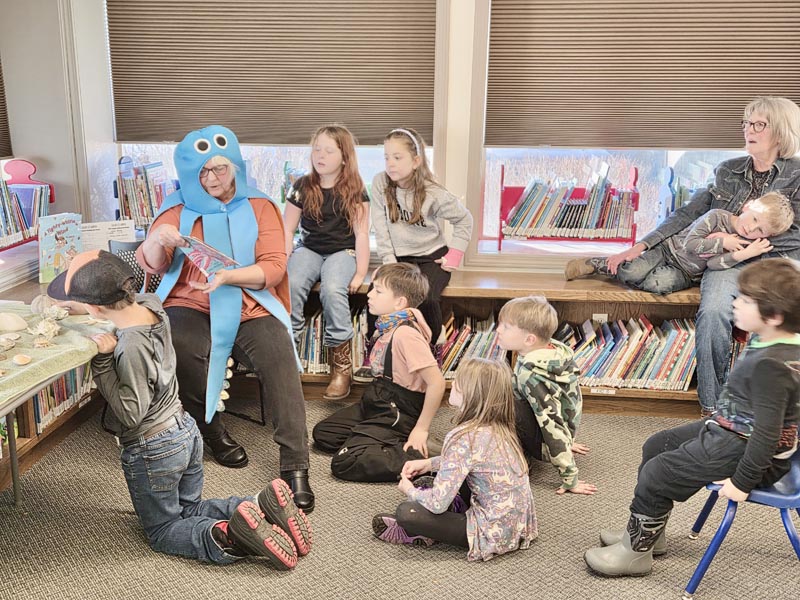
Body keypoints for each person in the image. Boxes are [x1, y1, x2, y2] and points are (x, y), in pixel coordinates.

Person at [47, 249, 313, 568]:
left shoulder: (131, 347)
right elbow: (118, 306)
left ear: (95, 308)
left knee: (163, 529)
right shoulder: (152, 305)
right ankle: (259, 506)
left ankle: (227, 535)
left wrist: (103, 363)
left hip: (153, 447)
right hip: (185, 431)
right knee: (189, 509)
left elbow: (132, 412)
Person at [573, 97, 800, 415]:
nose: (749, 129)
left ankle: (777, 409)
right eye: (746, 123)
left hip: (775, 261)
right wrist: (641, 246)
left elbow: (796, 234)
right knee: (713, 312)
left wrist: (748, 240)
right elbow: (688, 214)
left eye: (758, 124)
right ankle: (714, 408)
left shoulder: (797, 175)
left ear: (781, 131)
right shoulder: (728, 171)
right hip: (725, 259)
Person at [584, 258, 800, 577]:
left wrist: (742, 483)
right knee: (657, 445)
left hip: (747, 449)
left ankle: (635, 554)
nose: (735, 302)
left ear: (775, 316)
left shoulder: (773, 366)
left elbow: (766, 437)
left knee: (657, 473)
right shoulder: (771, 337)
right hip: (733, 428)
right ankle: (647, 533)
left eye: (745, 300)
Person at [136, 125, 314, 511]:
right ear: (188, 175)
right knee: (180, 347)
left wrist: (228, 276)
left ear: (234, 164)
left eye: (220, 169)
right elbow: (151, 264)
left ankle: (295, 465)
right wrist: (157, 239)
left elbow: (274, 267)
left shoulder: (260, 205)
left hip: (249, 299)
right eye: (203, 172)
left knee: (279, 357)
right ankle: (212, 430)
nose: (213, 179)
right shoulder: (174, 209)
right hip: (190, 302)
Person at [372, 357, 538, 561]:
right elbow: (472, 460)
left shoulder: (462, 437)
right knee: (432, 481)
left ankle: (424, 530)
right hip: (517, 526)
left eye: (458, 381)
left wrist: (409, 490)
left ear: (470, 394)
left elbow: (436, 504)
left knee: (408, 512)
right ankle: (452, 507)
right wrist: (429, 463)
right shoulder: (502, 428)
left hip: (490, 534)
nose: (453, 384)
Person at [312, 263, 446, 481]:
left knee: (345, 462)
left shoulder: (405, 334)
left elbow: (437, 383)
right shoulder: (388, 324)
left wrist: (421, 429)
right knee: (325, 435)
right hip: (377, 399)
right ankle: (381, 439)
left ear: (400, 302)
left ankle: (425, 460)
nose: (370, 295)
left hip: (397, 409)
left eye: (378, 291)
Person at [366, 127, 473, 360]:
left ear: (416, 161)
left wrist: (453, 256)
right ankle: (376, 349)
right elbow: (380, 226)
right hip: (398, 258)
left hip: (430, 256)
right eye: (386, 157)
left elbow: (465, 220)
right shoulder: (380, 184)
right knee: (376, 295)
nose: (390, 163)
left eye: (397, 157)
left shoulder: (433, 192)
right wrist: (388, 264)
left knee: (426, 298)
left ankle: (433, 348)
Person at [284, 125, 370, 401]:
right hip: (308, 249)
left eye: (328, 150)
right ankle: (289, 358)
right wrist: (281, 263)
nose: (320, 155)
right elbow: (288, 230)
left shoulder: (355, 189)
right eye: (316, 149)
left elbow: (362, 234)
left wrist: (360, 273)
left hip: (341, 252)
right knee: (293, 282)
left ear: (344, 156)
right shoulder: (302, 186)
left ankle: (341, 368)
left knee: (333, 289)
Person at [565, 191, 795, 295]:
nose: (752, 228)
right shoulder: (716, 216)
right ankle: (599, 264)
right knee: (634, 271)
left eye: (760, 231)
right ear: (748, 206)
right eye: (754, 219)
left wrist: (742, 254)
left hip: (686, 273)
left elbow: (714, 265)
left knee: (658, 286)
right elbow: (691, 244)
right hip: (668, 251)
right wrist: (721, 241)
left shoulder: (743, 243)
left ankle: (635, 272)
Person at [496, 295, 597, 496]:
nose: (498, 330)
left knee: (495, 401)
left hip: (541, 442)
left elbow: (551, 423)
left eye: (506, 327)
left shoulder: (531, 375)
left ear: (529, 339)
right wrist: (569, 441)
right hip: (561, 429)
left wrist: (570, 477)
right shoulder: (555, 351)